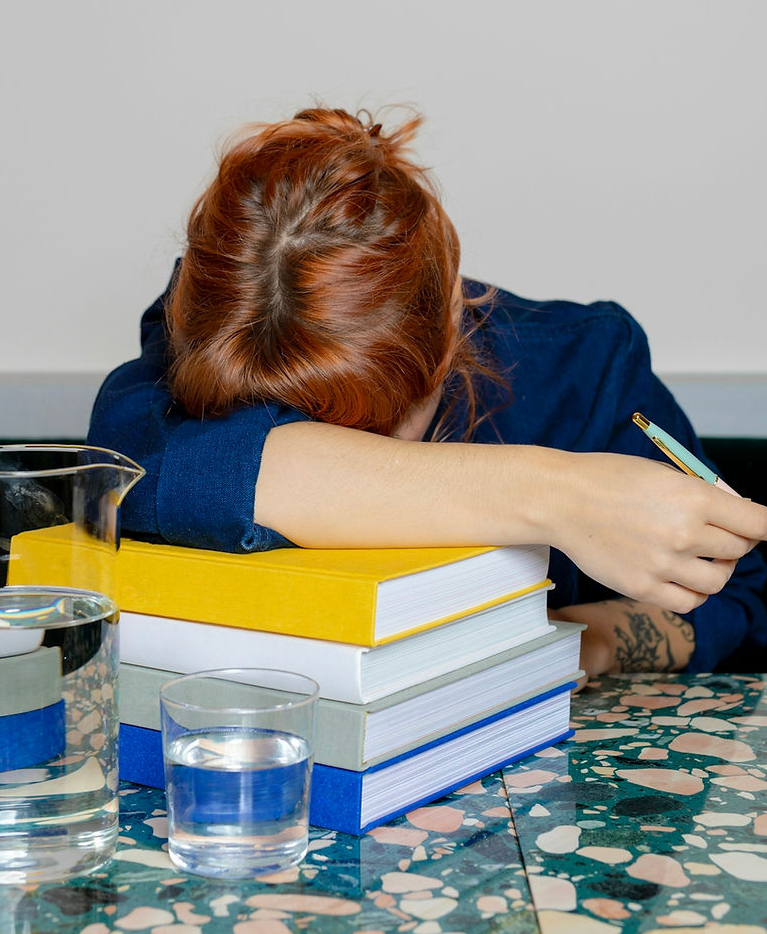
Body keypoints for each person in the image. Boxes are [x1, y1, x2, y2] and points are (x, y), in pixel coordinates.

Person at [89, 107, 767, 679]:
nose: (363, 460)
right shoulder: (223, 328)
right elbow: (140, 468)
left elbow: (739, 598)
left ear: (452, 311)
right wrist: (554, 495)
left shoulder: (584, 364)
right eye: (304, 428)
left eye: (381, 424)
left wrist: (582, 640)